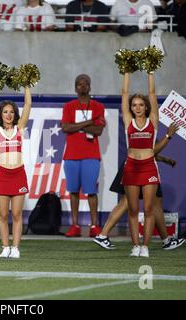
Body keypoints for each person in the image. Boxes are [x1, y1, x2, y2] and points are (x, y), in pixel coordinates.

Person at [94, 124, 186, 250]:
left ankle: (102, 235)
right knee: (149, 203)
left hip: (135, 167)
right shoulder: (143, 125)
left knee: (130, 203)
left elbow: (148, 152)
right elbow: (151, 152)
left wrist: (166, 160)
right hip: (140, 169)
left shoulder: (143, 125)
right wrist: (168, 136)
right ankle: (166, 241)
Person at [0, 87, 32, 258]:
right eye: (5, 112)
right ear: (1, 114)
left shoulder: (20, 128)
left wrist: (27, 85)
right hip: (3, 175)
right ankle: (5, 247)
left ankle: (16, 248)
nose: (8, 115)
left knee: (17, 214)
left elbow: (28, 104)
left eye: (11, 112)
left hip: (18, 174)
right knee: (3, 215)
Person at [120, 71, 160, 258]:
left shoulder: (153, 121)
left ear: (146, 107)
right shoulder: (129, 121)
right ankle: (135, 245)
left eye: (141, 105)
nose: (137, 108)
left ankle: (145, 246)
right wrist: (127, 72)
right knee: (133, 209)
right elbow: (124, 94)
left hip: (149, 167)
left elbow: (152, 93)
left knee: (149, 209)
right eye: (134, 105)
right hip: (132, 167)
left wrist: (150, 72)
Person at [61, 74, 106, 238]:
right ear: (75, 87)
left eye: (85, 84)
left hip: (91, 155)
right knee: (73, 191)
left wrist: (76, 126)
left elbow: (98, 130)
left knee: (91, 191)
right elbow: (65, 128)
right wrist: (88, 123)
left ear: (90, 86)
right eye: (79, 84)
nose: (82, 87)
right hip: (71, 155)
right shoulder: (69, 106)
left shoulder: (98, 106)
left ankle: (94, 225)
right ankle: (75, 225)